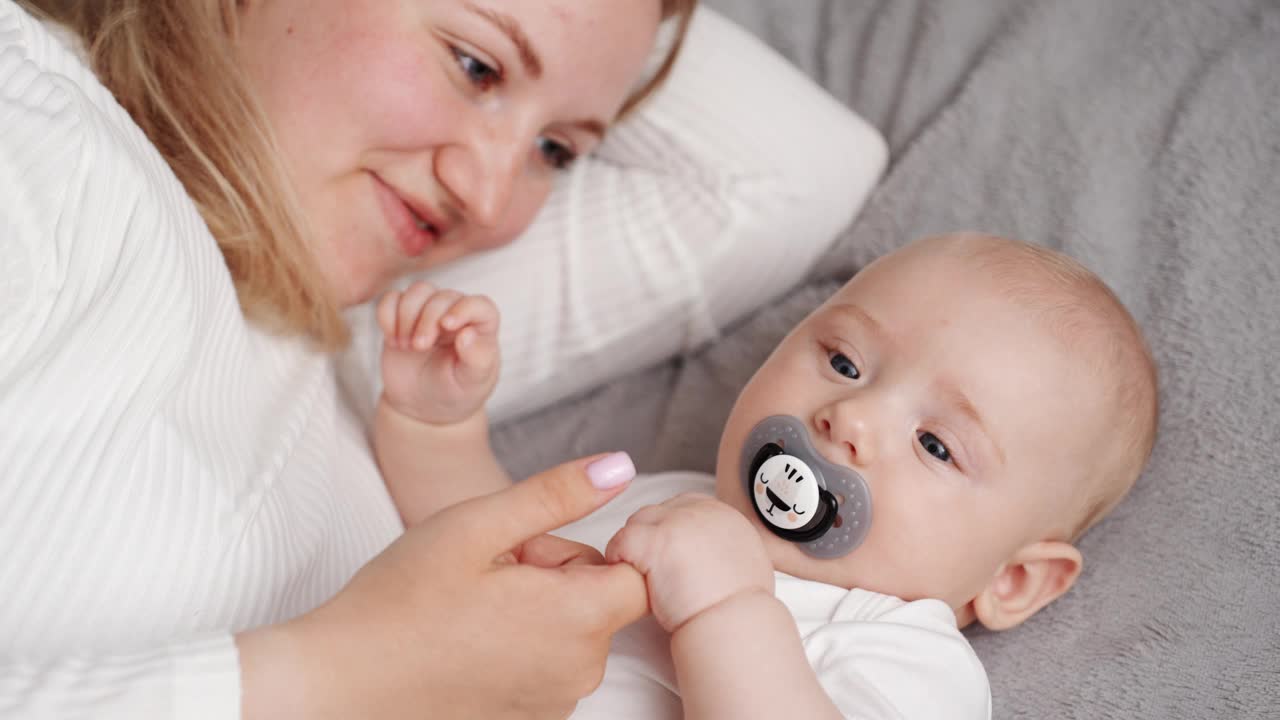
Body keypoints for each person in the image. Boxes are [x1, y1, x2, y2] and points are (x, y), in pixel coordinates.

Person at [0, 0, 887, 718]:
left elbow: (798, 170)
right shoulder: (35, 131)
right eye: (475, 65)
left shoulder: (388, 351)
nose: (491, 199)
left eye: (557, 151)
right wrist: (354, 676)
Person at [379, 233, 1159, 718]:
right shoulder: (668, 502)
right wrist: (435, 424)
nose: (850, 418)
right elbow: (476, 543)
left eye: (936, 445)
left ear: (1014, 581)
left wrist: (727, 609)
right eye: (845, 362)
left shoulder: (903, 654)